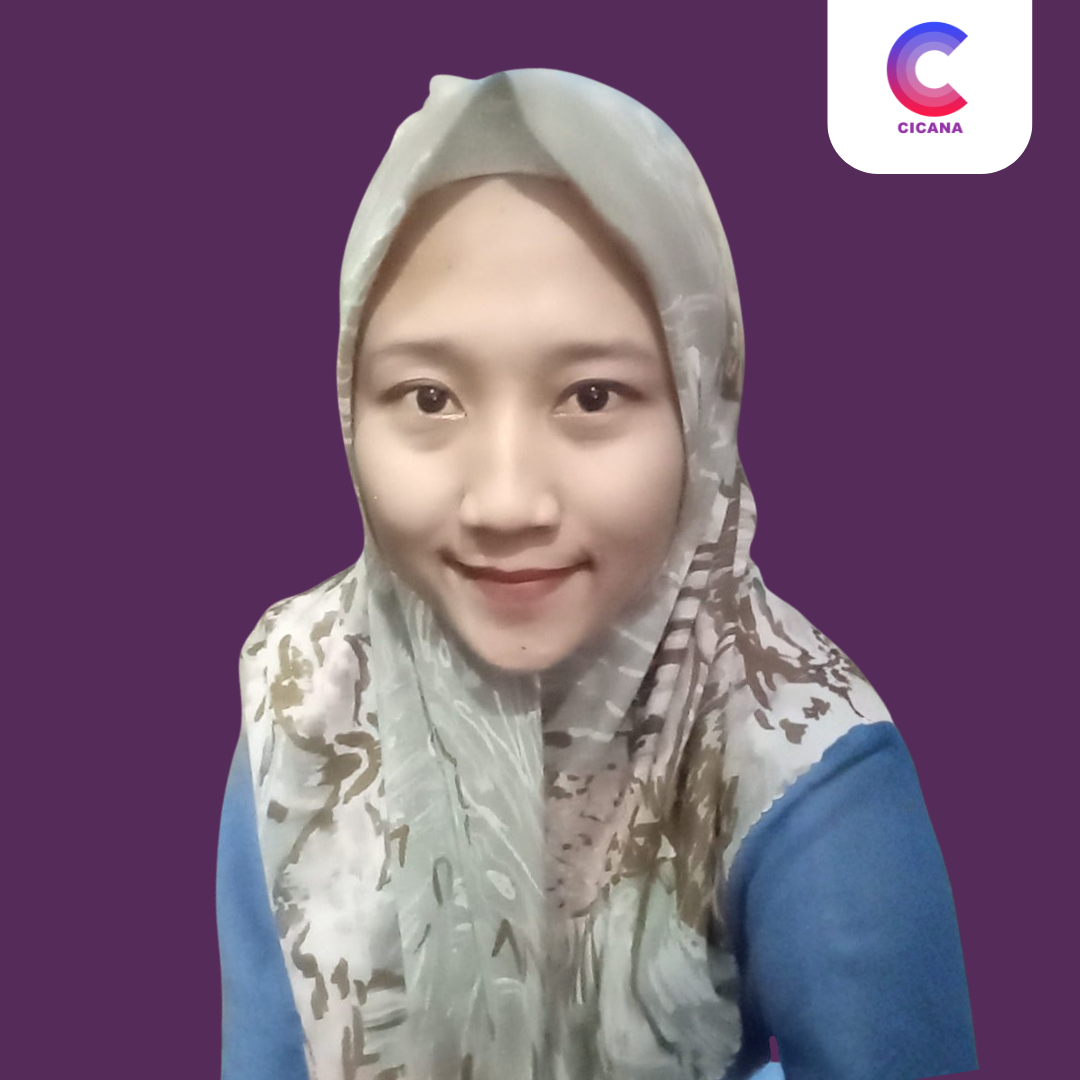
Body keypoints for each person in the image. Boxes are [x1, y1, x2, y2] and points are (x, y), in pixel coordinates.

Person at [216, 70, 977, 1080]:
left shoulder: (791, 748)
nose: (505, 500)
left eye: (591, 396)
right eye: (430, 398)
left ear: (701, 407)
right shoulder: (303, 700)